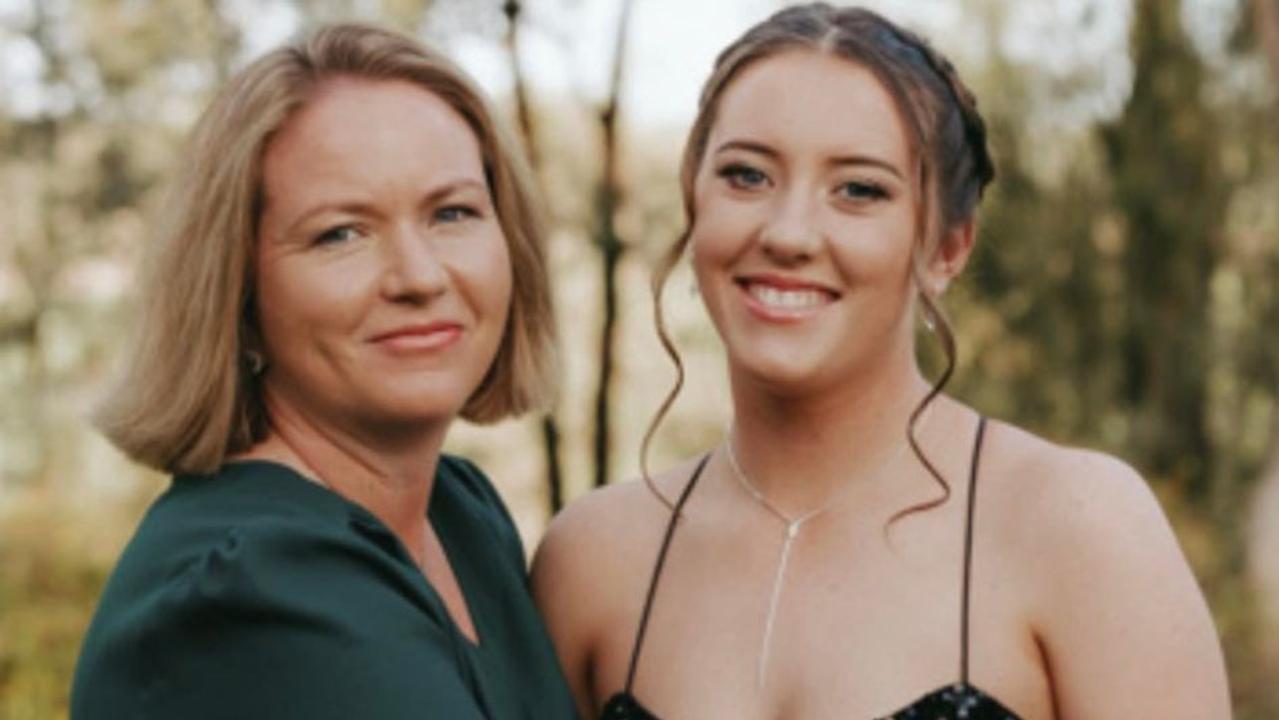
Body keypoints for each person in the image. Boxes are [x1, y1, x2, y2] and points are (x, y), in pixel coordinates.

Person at [532, 4, 1231, 718]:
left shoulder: (1075, 525)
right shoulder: (591, 560)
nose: (789, 232)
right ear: (693, 200)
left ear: (947, 248)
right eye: (746, 176)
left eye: (858, 190)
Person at [70, 23, 576, 719]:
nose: (419, 276)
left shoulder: (461, 513)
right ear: (238, 294)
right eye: (341, 233)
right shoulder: (250, 588)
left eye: (452, 212)